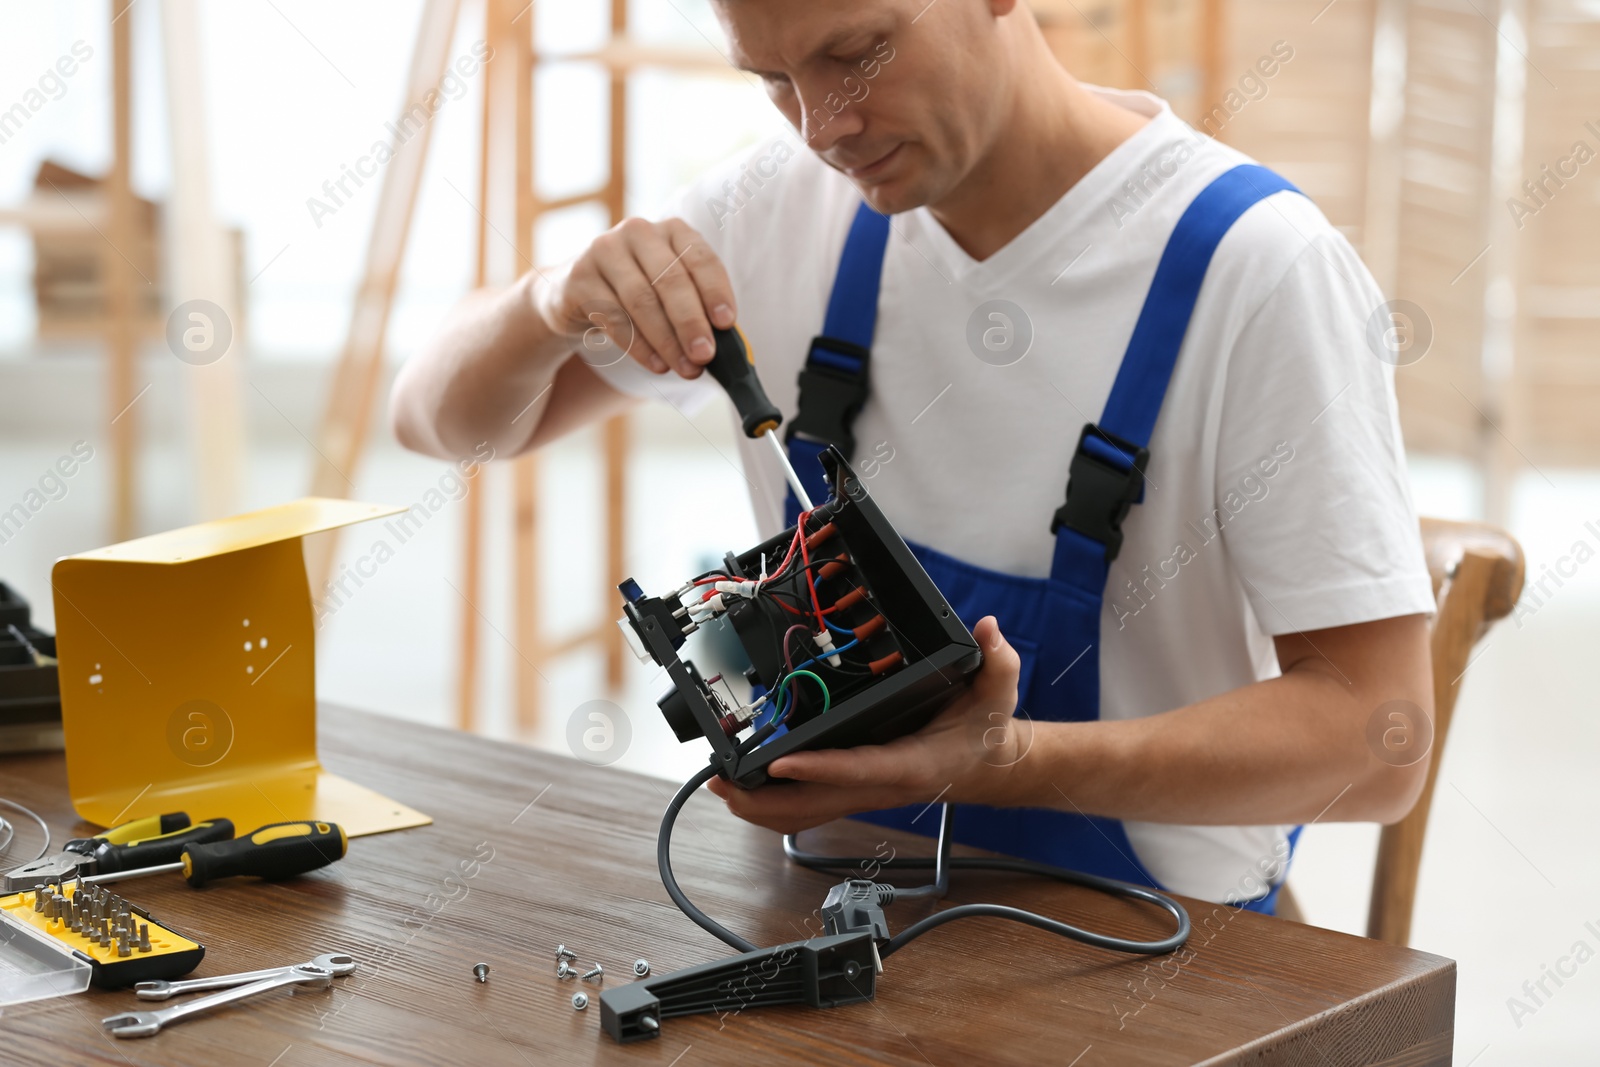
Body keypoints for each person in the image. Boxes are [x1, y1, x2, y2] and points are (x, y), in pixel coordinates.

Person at [390, 0, 1436, 913]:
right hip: (822, 903)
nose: (821, 127)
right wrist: (546, 302)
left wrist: (1008, 764)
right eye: (773, 80)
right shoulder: (768, 212)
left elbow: (1377, 738)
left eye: (856, 54)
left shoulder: (1253, 272)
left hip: (1150, 948)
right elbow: (439, 423)